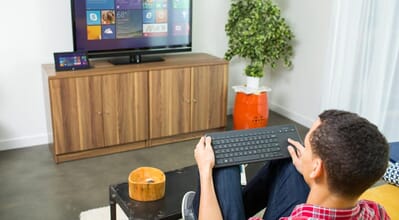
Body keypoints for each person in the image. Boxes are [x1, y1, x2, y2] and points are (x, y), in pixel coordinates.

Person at [181, 109, 390, 220]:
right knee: (290, 163)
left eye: (306, 146)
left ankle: (199, 211)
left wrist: (205, 171)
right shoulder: (376, 212)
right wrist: (307, 170)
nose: (303, 150)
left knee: (221, 166)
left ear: (317, 168)